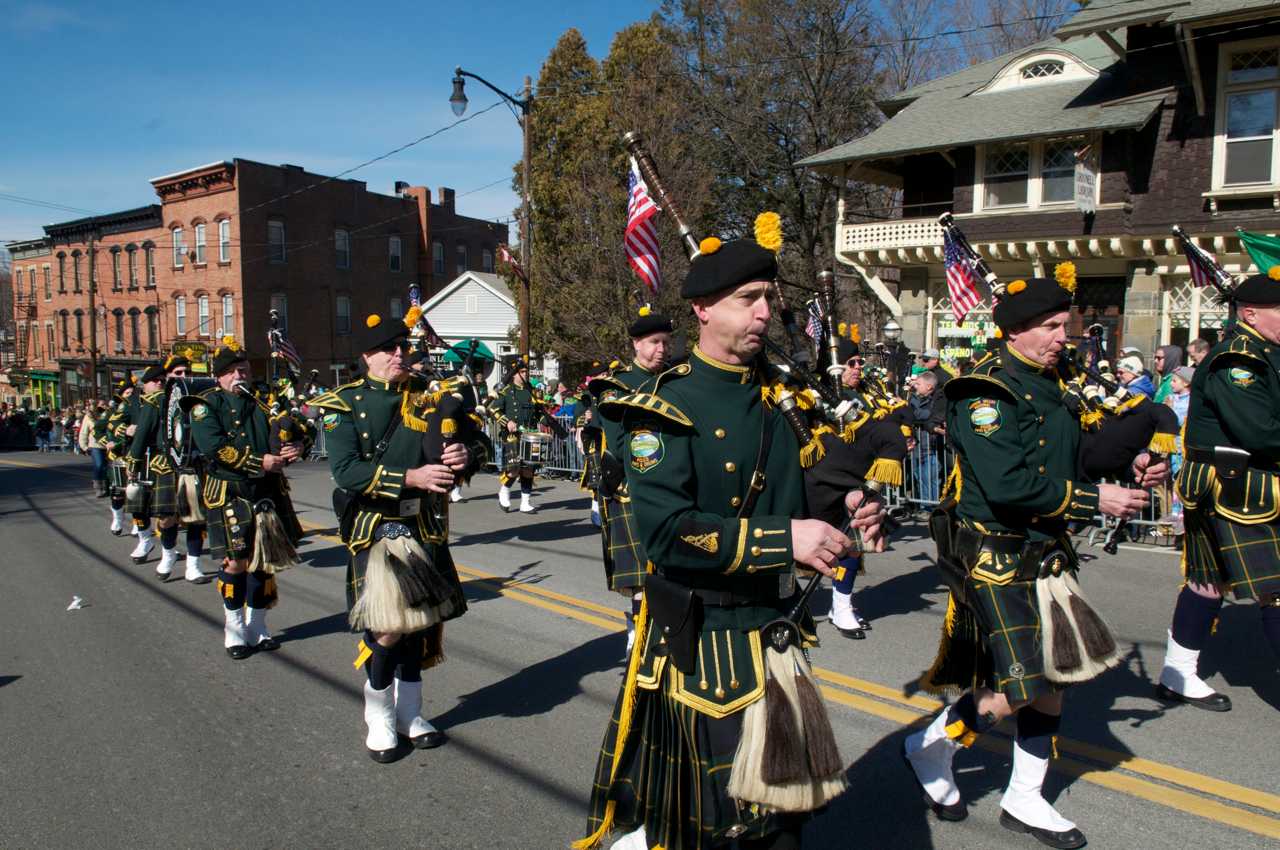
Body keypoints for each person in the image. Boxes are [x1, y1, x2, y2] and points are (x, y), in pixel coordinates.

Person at [579, 232, 887, 850]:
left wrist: (851, 503)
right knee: (720, 828)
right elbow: (666, 534)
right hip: (708, 647)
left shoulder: (779, 399)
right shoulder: (662, 406)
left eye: (767, 297)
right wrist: (785, 540)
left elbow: (803, 489)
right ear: (702, 308)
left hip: (776, 634)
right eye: (748, 298)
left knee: (782, 824)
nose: (765, 312)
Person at [906, 268, 1165, 849]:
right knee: (1020, 684)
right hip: (996, 553)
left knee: (1054, 680)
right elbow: (1009, 485)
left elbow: (1079, 451)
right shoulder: (984, 393)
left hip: (1047, 550)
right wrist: (1097, 497)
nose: (1062, 337)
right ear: (1015, 331)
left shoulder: (1059, 380)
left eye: (1064, 326)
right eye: (1050, 327)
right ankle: (930, 746)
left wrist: (1136, 460)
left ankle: (1024, 797)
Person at [311, 308, 485, 762]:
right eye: (389, 349)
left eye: (402, 347)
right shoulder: (344, 403)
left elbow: (475, 441)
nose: (399, 355)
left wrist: (468, 453)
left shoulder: (431, 396)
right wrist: (412, 477)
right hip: (378, 525)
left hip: (424, 524)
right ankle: (379, 714)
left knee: (420, 624)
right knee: (389, 627)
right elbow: (347, 472)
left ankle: (410, 713)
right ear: (367, 356)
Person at [1159, 268, 1280, 712]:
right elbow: (1259, 431)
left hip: (1238, 486)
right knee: (1276, 585)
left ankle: (1177, 673)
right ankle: (1177, 674)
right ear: (1251, 313)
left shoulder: (1265, 353)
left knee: (1207, 583)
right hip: (1238, 488)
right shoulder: (1240, 359)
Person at [190, 336, 305, 660]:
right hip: (230, 493)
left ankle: (257, 624)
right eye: (233, 371)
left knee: (264, 561)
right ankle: (235, 627)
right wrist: (260, 462)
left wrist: (296, 446)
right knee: (237, 562)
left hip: (267, 491)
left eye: (244, 369)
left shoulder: (265, 400)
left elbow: (296, 429)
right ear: (219, 376)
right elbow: (215, 448)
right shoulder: (205, 405)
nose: (240, 375)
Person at [588, 309, 673, 653]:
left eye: (666, 342)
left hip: (672, 489)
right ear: (637, 343)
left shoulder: (674, 381)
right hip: (632, 491)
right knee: (642, 578)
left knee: (671, 570)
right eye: (654, 342)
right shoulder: (616, 386)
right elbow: (622, 447)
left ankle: (666, 631)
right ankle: (637, 635)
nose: (662, 349)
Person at [490, 360, 542, 512]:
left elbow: (538, 413)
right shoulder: (506, 390)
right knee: (514, 468)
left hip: (529, 434)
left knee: (528, 469)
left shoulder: (531, 391)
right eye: (523, 372)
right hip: (512, 434)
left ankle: (525, 503)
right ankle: (504, 491)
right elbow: (493, 410)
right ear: (514, 374)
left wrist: (549, 423)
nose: (526, 374)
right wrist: (507, 422)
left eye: (527, 371)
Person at [907, 370, 945, 504]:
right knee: (920, 477)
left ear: (929, 387)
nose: (914, 386)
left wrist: (909, 407)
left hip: (929, 446)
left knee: (929, 478)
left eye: (918, 384)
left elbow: (924, 415)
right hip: (917, 446)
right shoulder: (915, 397)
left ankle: (929, 507)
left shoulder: (937, 398)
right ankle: (924, 505)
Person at [80, 400, 111, 498]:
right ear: (97, 406)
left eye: (105, 404)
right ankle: (98, 487)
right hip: (95, 445)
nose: (104, 406)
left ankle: (108, 487)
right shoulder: (89, 417)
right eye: (101, 404)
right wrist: (84, 446)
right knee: (99, 465)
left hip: (108, 445)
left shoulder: (109, 415)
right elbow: (84, 432)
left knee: (107, 467)